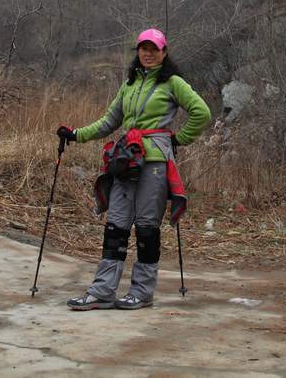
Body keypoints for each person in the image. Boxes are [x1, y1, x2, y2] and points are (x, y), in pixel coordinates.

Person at [56, 28, 211, 310]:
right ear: (138, 51)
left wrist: (177, 138)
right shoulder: (128, 85)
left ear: (164, 52)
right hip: (127, 160)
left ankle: (142, 292)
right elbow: (108, 121)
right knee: (115, 226)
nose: (148, 53)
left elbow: (202, 112)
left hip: (154, 164)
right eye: (143, 48)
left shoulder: (173, 83)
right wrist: (76, 134)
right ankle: (103, 291)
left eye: (154, 48)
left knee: (147, 228)